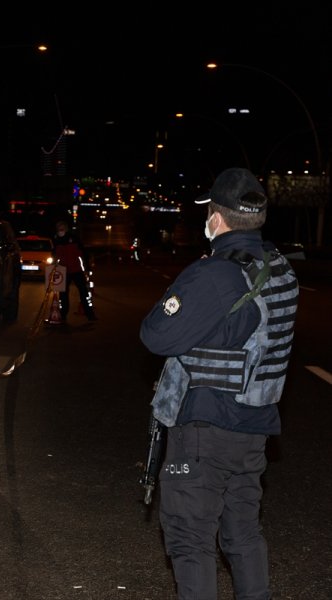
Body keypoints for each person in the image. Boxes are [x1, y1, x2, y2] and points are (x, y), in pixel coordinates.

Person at [140, 167, 298, 600]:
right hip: (253, 428)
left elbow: (155, 334)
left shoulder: (215, 274)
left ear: (217, 216)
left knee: (190, 540)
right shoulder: (278, 267)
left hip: (204, 431)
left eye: (209, 212)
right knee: (243, 534)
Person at [52, 220, 96, 322]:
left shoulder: (74, 238)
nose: (60, 230)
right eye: (58, 228)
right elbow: (54, 255)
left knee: (84, 293)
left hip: (76, 270)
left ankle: (90, 314)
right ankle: (62, 315)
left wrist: (87, 268)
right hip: (63, 271)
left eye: (62, 228)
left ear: (66, 229)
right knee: (63, 296)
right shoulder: (56, 240)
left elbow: (83, 253)